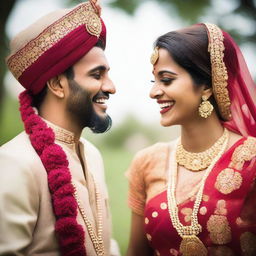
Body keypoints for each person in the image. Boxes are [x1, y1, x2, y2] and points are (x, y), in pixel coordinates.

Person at [0, 1, 120, 255]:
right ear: (57, 84)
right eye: (97, 75)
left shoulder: (93, 156)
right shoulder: (15, 162)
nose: (111, 87)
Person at [126, 23, 256, 256]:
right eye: (153, 81)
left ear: (206, 86)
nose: (153, 92)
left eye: (166, 80)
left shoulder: (251, 161)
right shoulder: (147, 161)